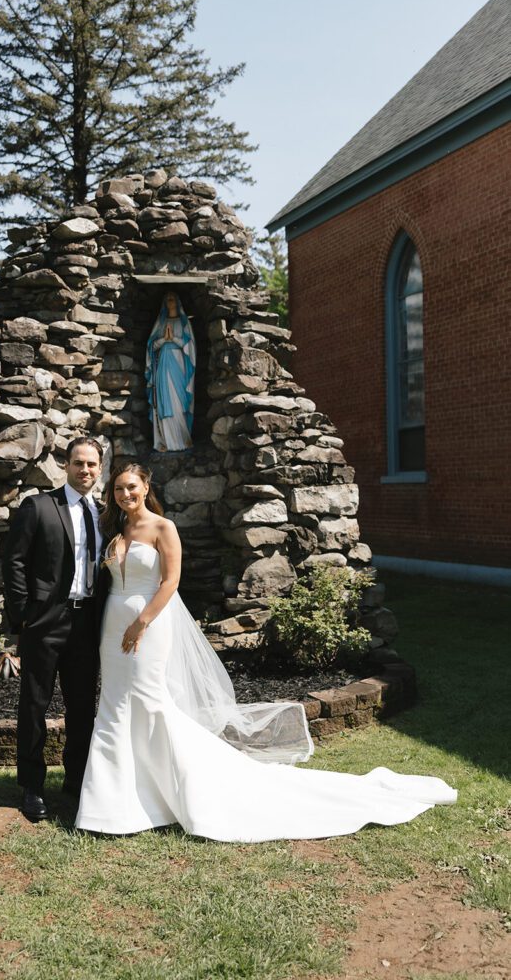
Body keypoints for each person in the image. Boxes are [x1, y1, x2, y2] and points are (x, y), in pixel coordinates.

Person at [75, 463, 457, 842]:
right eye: (119, 488)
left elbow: (171, 581)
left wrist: (142, 622)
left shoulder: (163, 527)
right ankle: (115, 801)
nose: (125, 494)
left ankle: (177, 787)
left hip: (149, 625)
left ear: (146, 487)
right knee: (114, 703)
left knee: (150, 702)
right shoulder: (115, 530)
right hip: (113, 625)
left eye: (132, 486)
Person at [3, 437, 106, 823]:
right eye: (79, 462)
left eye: (92, 464)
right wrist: (22, 615)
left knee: (83, 708)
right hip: (44, 622)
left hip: (87, 623)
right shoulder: (40, 506)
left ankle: (76, 782)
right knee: (34, 705)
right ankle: (31, 786)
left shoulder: (104, 514)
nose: (85, 470)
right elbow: (13, 561)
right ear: (66, 465)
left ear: (100, 468)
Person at [145, 292, 196, 452]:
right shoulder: (160, 323)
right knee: (163, 400)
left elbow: (190, 347)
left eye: (172, 298)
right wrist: (164, 339)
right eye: (167, 299)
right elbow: (151, 347)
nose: (170, 301)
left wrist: (173, 338)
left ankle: (182, 439)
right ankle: (166, 441)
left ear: (178, 301)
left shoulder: (184, 323)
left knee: (179, 402)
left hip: (180, 365)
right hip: (163, 365)